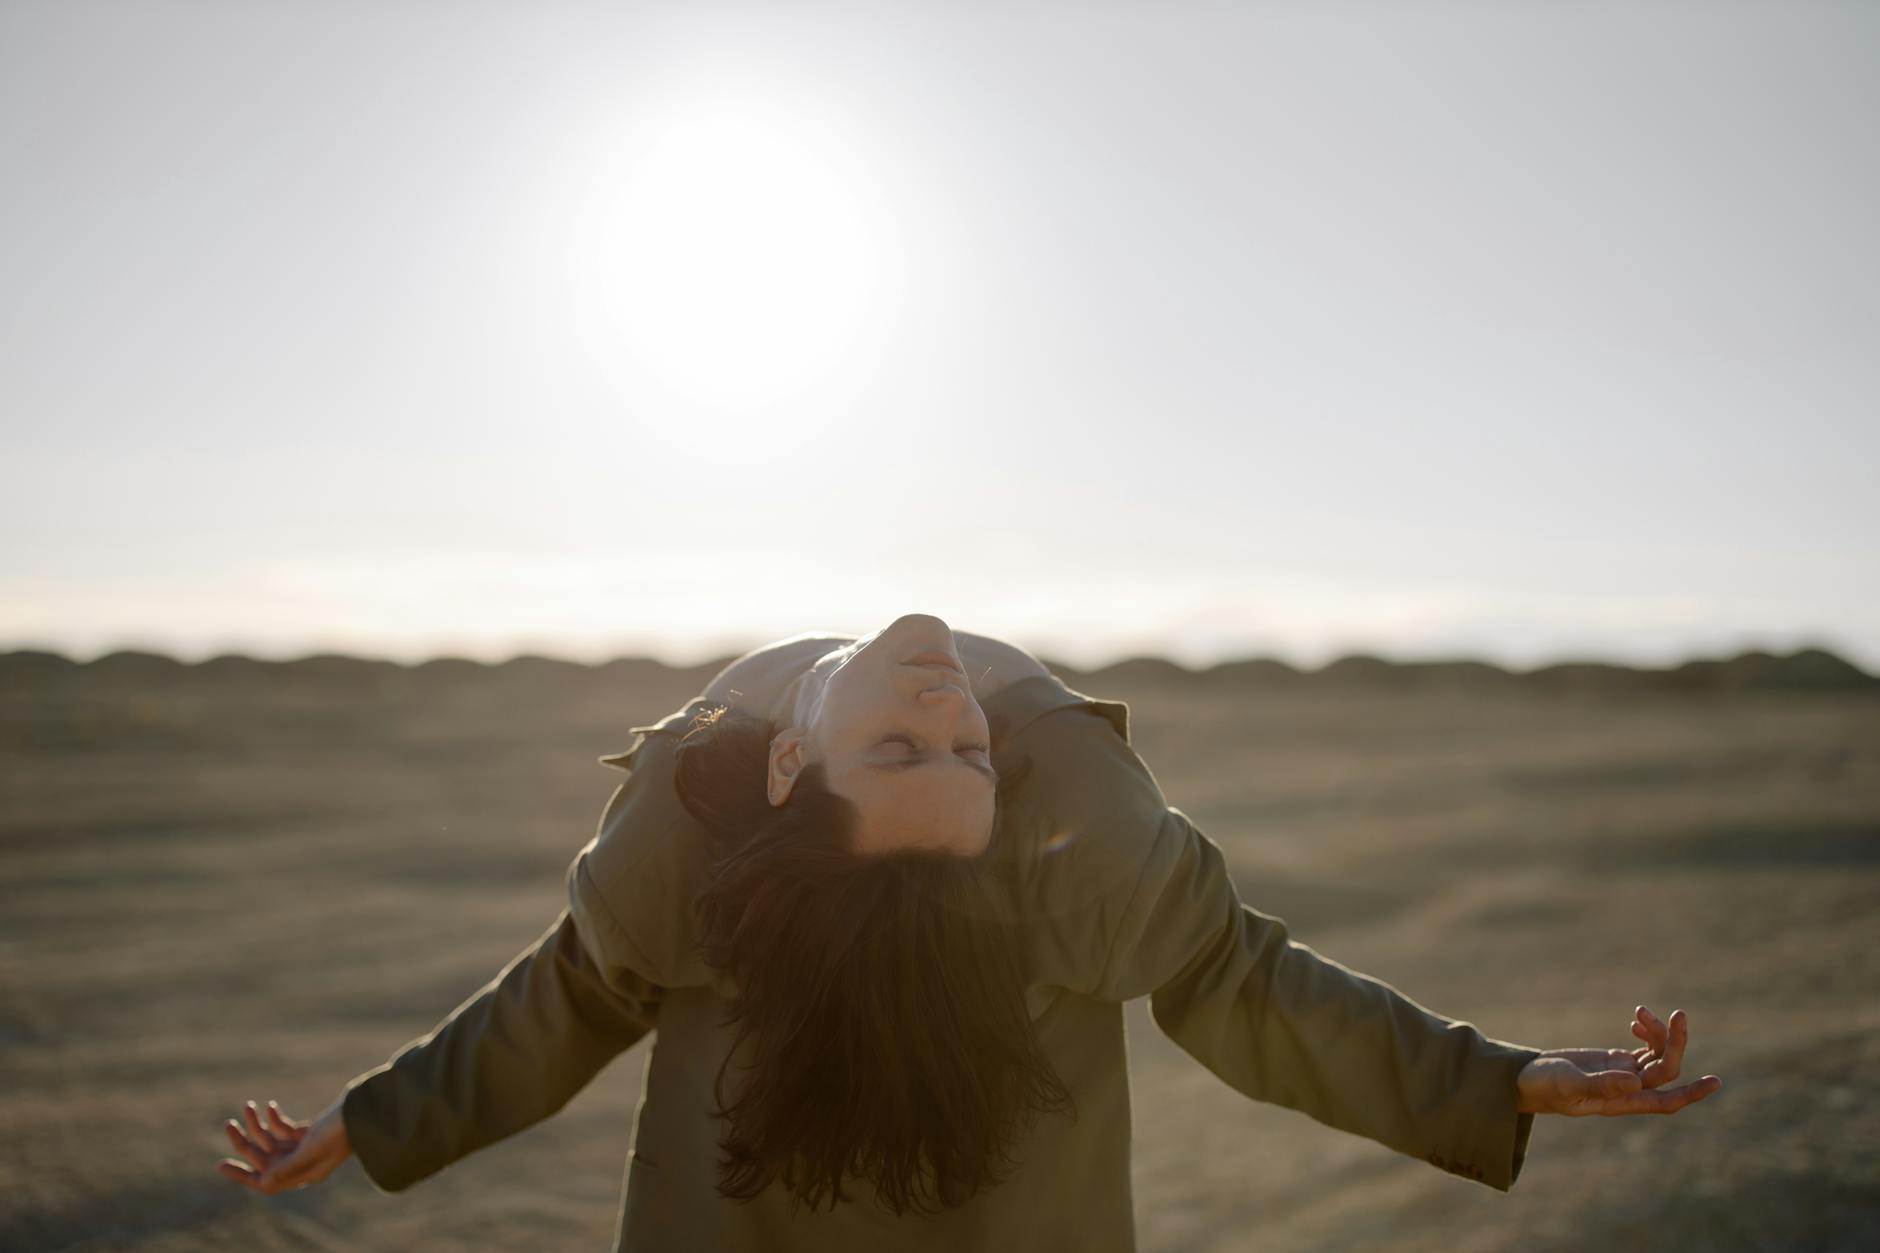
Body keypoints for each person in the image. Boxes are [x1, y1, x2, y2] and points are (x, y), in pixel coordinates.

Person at [215, 614, 1720, 1250]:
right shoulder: (674, 869)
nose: (948, 712)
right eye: (948, 757)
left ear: (799, 769)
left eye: (926, 748)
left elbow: (1247, 993)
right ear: (785, 763)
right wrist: (372, 1119)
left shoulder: (1089, 867)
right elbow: (564, 1003)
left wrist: (1499, 1079)